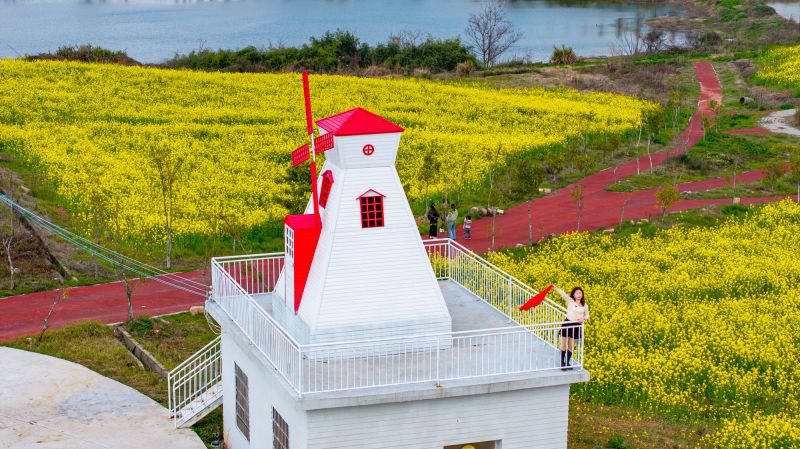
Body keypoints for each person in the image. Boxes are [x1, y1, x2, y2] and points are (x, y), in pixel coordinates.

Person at [553, 285, 589, 370]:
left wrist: (583, 318)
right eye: (577, 293)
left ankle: (567, 362)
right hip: (567, 323)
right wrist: (556, 289)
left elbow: (587, 316)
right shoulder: (571, 301)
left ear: (582, 294)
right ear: (573, 295)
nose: (579, 295)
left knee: (570, 346)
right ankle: (562, 363)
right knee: (564, 345)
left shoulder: (585, 305)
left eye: (580, 293)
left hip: (576, 326)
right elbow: (564, 295)